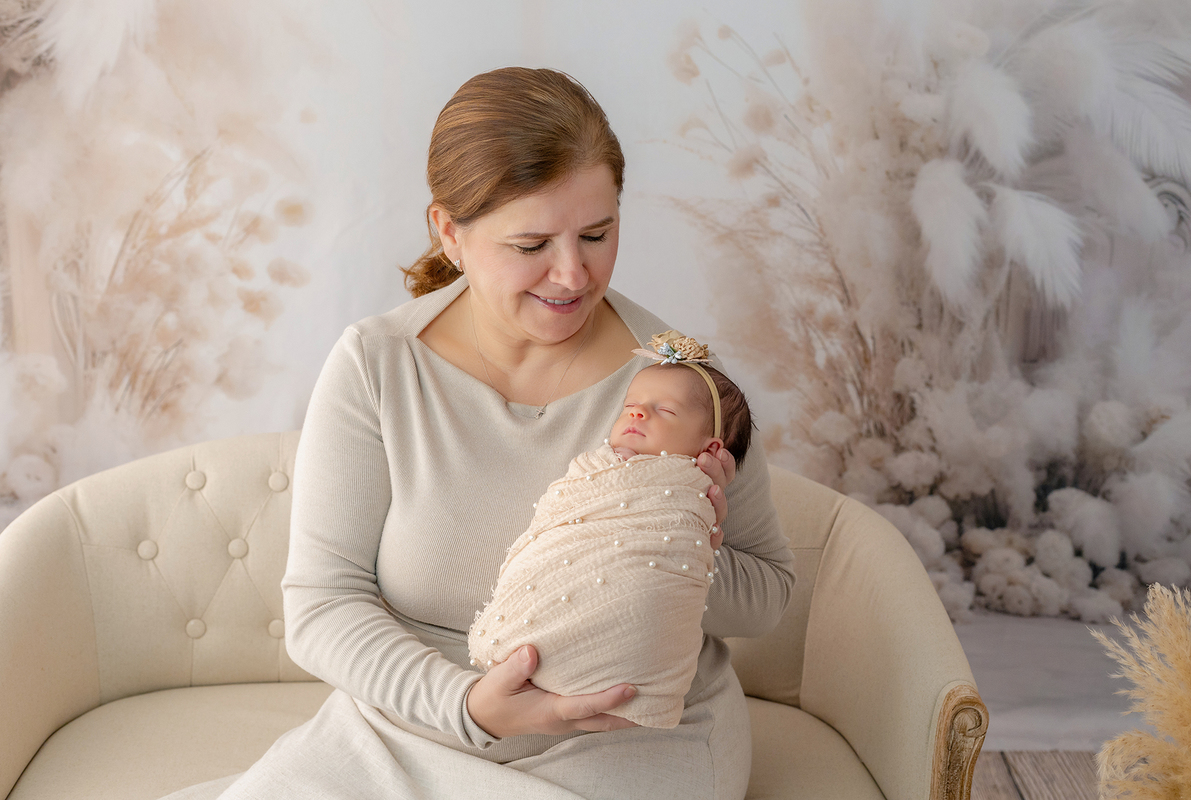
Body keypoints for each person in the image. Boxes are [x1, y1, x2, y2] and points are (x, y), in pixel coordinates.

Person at [167, 66, 794, 800]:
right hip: (412, 724)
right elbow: (323, 604)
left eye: (597, 234)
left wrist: (681, 545)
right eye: (531, 245)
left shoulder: (676, 383)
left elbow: (769, 596)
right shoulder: (379, 364)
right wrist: (464, 708)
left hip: (621, 732)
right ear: (449, 232)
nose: (573, 274)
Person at [468, 342, 756, 730]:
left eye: (665, 411)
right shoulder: (595, 467)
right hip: (489, 701)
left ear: (712, 448)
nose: (637, 412)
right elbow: (559, 518)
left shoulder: (695, 490)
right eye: (630, 405)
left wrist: (702, 534)